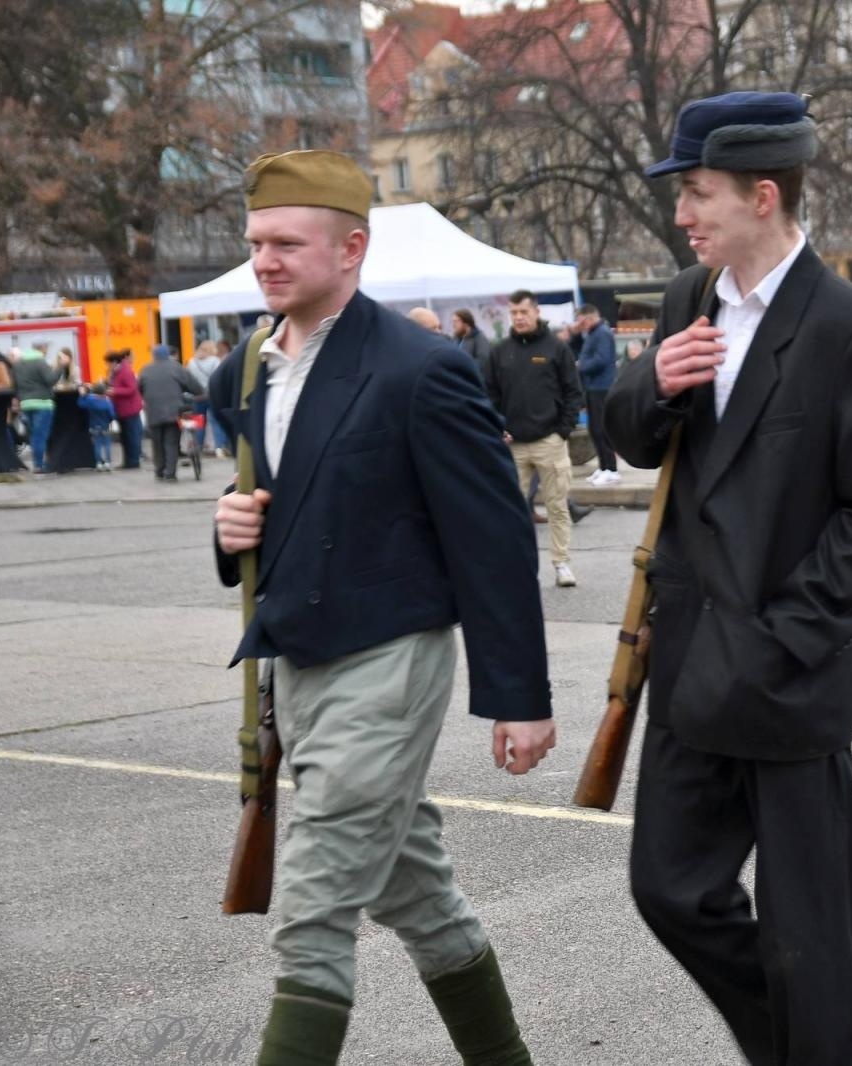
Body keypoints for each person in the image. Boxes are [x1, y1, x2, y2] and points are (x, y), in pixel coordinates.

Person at [208, 149, 553, 1066]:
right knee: (420, 897)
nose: (265, 260)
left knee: (313, 909)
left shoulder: (421, 368)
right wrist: (230, 526)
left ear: (351, 247)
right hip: (298, 664)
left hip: (390, 658)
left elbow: (494, 540)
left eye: (287, 242)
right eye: (256, 243)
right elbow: (277, 513)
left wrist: (519, 695)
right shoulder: (245, 370)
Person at [607, 90, 852, 1066]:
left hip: (787, 675)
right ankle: (796, 1048)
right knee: (669, 887)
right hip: (690, 663)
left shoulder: (846, 325)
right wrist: (651, 382)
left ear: (764, 195)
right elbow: (622, 437)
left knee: (808, 936)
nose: (683, 215)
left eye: (697, 194)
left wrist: (786, 631)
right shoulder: (683, 301)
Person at [483, 290, 585, 588]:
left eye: (523, 312)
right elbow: (489, 395)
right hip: (512, 445)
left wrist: (562, 431)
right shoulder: (499, 351)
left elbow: (573, 391)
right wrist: (497, 427)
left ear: (536, 312)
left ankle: (562, 563)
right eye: (513, 313)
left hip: (549, 442)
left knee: (557, 506)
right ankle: (511, 566)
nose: (518, 318)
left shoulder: (556, 347)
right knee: (508, 510)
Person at [138, 344, 204, 481]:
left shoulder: (146, 370)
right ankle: (170, 473)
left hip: (153, 412)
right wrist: (199, 393)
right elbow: (193, 386)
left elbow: (139, 388)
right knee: (171, 441)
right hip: (174, 411)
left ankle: (159, 470)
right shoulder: (176, 367)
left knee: (157, 442)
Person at [573, 303, 620, 485]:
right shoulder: (593, 333)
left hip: (602, 387)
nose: (580, 325)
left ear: (590, 317)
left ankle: (612, 469)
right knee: (595, 429)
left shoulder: (602, 333)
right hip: (593, 387)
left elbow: (602, 360)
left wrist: (581, 366)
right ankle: (603, 466)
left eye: (581, 321)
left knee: (602, 428)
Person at [13, 343, 62, 473]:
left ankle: (38, 464)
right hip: (43, 403)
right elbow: (51, 380)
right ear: (42, 348)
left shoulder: (18, 364)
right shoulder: (40, 362)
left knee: (34, 435)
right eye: (46, 348)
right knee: (40, 436)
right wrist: (60, 367)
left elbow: (16, 384)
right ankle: (39, 465)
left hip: (26, 404)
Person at [105, 349, 144, 469]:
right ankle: (128, 461)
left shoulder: (125, 371)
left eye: (108, 363)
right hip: (122, 409)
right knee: (125, 437)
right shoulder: (116, 372)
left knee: (132, 436)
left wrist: (114, 391)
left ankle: (133, 461)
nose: (107, 366)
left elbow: (131, 389)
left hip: (129, 409)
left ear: (114, 362)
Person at [190, 340, 228, 457]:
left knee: (198, 423)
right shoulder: (215, 361)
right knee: (216, 421)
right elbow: (218, 377)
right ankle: (219, 447)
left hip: (197, 396)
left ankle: (198, 447)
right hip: (212, 395)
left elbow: (189, 379)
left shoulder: (192, 362)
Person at [78, 382, 116, 471]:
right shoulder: (107, 402)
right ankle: (108, 463)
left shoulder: (90, 400)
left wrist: (82, 395)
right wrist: (109, 421)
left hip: (93, 426)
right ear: (104, 392)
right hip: (105, 426)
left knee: (97, 445)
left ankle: (98, 463)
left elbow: (80, 404)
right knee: (107, 445)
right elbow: (112, 415)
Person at [451, 308, 494, 380]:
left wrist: (463, 366)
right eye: (452, 321)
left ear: (466, 323)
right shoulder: (456, 339)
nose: (453, 325)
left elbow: (483, 362)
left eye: (456, 321)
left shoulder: (479, 338)